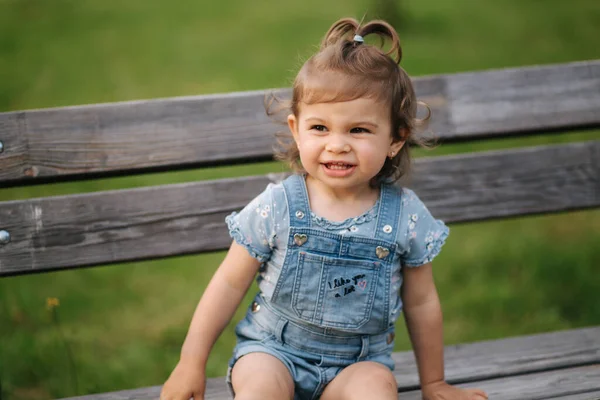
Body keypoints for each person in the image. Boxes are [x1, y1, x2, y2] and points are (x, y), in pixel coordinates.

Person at [161, 17, 488, 400]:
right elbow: (229, 284)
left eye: (358, 130)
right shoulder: (279, 206)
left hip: (358, 363)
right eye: (320, 128)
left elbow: (423, 303)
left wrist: (433, 383)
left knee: (376, 392)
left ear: (395, 141)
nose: (337, 145)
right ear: (296, 128)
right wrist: (190, 363)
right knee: (261, 390)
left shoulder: (405, 218)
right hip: (273, 352)